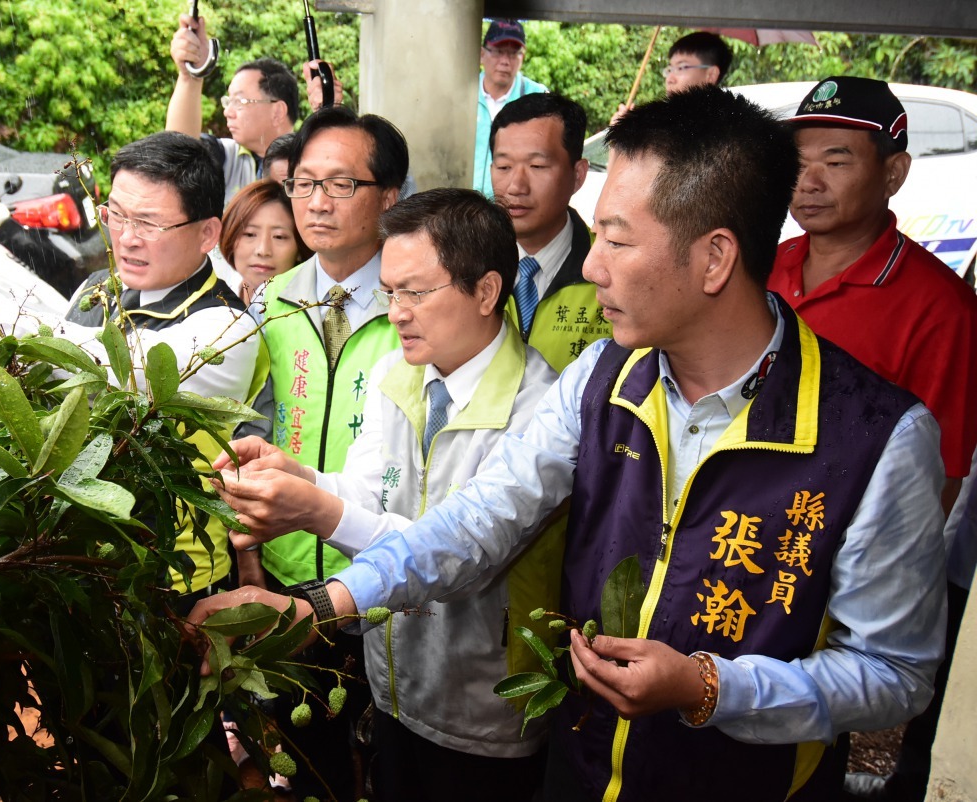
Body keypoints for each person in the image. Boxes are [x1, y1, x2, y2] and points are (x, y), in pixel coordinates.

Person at [189, 87, 947, 802]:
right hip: (578, 769)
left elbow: (895, 672)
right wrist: (316, 607)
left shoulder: (877, 438)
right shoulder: (603, 378)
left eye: (616, 238)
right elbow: (481, 519)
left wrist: (710, 687)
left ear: (714, 258)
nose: (590, 265)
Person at [213, 188, 562, 801]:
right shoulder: (398, 374)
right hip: (396, 681)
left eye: (415, 293)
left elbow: (459, 557)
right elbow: (372, 494)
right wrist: (302, 478)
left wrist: (316, 510)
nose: (396, 312)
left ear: (485, 291)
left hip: (486, 709)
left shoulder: (539, 410)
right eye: (391, 291)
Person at [0, 131, 259, 598]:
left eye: (150, 224)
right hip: (76, 560)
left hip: (173, 577)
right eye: (115, 215)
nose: (127, 238)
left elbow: (107, 366)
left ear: (207, 233)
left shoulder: (227, 325)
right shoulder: (97, 286)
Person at [767, 76, 977, 802]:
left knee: (805, 737)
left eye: (837, 158)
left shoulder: (938, 306)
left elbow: (939, 478)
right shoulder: (765, 266)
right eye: (797, 161)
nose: (810, 181)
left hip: (834, 565)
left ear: (894, 170)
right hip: (738, 542)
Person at [246, 104, 409, 801]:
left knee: (395, 759)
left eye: (340, 185)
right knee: (309, 760)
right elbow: (249, 428)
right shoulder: (271, 301)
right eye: (303, 183)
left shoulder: (417, 301)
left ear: (389, 197)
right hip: (288, 575)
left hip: (391, 577)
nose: (315, 201)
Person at [490, 92, 608, 371]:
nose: (516, 186)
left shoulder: (611, 270)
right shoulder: (464, 265)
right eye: (504, 166)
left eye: (537, 166)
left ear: (577, 175)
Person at [168, 13, 300, 202]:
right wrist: (191, 75)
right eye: (228, 101)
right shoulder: (226, 158)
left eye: (239, 101)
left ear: (277, 111)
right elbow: (178, 150)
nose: (227, 112)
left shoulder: (309, 162)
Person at [473, 19, 547, 197]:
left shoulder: (537, 97)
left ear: (523, 57)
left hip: (513, 203)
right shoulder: (462, 92)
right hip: (462, 205)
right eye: (498, 52)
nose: (505, 61)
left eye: (513, 54)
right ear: (482, 54)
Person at [217, 179, 311, 305]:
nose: (263, 250)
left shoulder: (312, 312)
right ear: (230, 238)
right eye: (250, 234)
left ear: (300, 247)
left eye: (279, 237)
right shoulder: (213, 300)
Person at [613, 31, 731, 121]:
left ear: (711, 75)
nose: (670, 79)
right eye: (670, 69)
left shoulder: (723, 124)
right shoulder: (663, 122)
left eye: (681, 68)